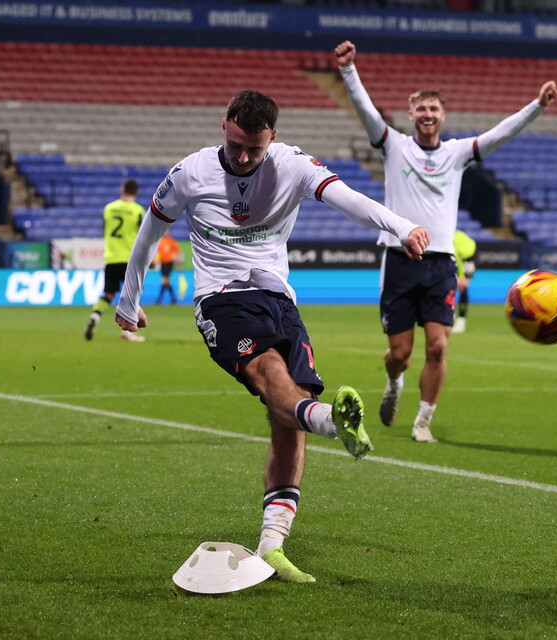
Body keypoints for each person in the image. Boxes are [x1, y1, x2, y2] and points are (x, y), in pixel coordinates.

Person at [115, 90, 430, 583]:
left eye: (254, 150)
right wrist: (129, 301)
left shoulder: (292, 164)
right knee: (270, 374)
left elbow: (350, 199)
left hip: (280, 300)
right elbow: (150, 231)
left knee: (288, 410)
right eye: (237, 145)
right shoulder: (190, 173)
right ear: (224, 126)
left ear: (273, 140)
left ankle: (272, 547)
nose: (243, 158)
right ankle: (331, 422)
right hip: (221, 298)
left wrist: (402, 225)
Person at [334, 39, 557, 443]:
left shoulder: (457, 153)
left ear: (442, 115)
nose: (427, 114)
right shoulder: (394, 146)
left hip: (440, 263)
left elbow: (499, 134)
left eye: (434, 109)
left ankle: (423, 421)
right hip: (399, 259)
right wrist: (349, 70)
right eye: (420, 109)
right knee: (400, 353)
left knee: (437, 347)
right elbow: (366, 112)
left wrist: (537, 106)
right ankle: (394, 383)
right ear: (411, 114)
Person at [85, 179, 146, 342]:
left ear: (122, 189)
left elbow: (105, 232)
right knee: (133, 295)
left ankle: (95, 315)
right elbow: (142, 236)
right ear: (136, 192)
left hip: (111, 257)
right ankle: (128, 332)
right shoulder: (138, 210)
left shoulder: (109, 208)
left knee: (109, 293)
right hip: (129, 259)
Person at [451, 229, 477, 334]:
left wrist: (466, 276)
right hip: (450, 262)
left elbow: (469, 256)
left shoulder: (459, 239)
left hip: (466, 259)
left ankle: (461, 321)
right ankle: (449, 317)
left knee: (462, 287)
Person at [154, 231, 183, 305]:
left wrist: (179, 264)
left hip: (169, 262)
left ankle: (159, 299)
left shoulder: (171, 241)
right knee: (166, 281)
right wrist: (156, 261)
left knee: (165, 280)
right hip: (163, 263)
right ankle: (173, 299)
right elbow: (157, 253)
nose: (165, 233)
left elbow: (178, 252)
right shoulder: (160, 241)